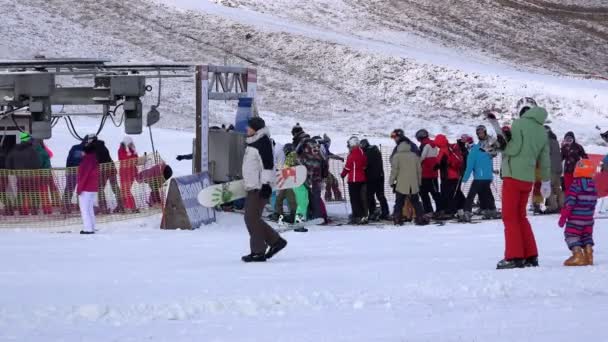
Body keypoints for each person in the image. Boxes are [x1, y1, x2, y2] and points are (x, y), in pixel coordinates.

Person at [497, 98, 551, 270]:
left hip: (513, 175)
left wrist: (502, 145)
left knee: (510, 217)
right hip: (528, 178)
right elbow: (544, 159)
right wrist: (546, 180)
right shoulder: (542, 131)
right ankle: (530, 255)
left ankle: (514, 256)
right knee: (521, 217)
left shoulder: (519, 124)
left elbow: (514, 149)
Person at [241, 117, 287, 262]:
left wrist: (266, 185)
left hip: (260, 187)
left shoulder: (263, 142)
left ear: (255, 128)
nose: (246, 129)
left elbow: (268, 165)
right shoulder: (254, 142)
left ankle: (258, 251)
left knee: (251, 218)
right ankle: (275, 241)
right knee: (252, 218)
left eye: (249, 127)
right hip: (253, 186)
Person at [558, 159, 597, 266]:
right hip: (588, 220)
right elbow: (593, 202)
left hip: (575, 219)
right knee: (586, 236)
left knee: (571, 235)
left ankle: (577, 255)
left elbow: (569, 203)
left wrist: (563, 217)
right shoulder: (593, 187)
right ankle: (589, 254)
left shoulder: (575, 186)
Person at [389, 135, 428, 226]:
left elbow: (394, 171)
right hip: (413, 184)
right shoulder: (414, 156)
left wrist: (391, 181)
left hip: (401, 184)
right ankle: (420, 218)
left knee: (399, 202)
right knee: (416, 202)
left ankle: (397, 219)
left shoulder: (397, 156)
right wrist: (419, 182)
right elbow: (419, 171)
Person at [5, 132, 42, 215]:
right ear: (28, 139)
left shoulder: (14, 150)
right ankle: (34, 210)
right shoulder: (32, 150)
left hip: (20, 176)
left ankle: (21, 210)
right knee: (33, 193)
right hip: (32, 176)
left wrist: (13, 170)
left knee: (21, 193)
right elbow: (38, 163)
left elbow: (8, 163)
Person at [461, 139, 497, 222]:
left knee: (471, 195)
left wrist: (465, 178)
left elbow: (469, 167)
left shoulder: (473, 153)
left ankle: (467, 212)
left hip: (479, 178)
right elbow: (489, 161)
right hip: (488, 178)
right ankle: (491, 209)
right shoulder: (484, 151)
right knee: (486, 193)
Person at [90, 136, 124, 214]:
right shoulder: (103, 145)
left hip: (102, 169)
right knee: (115, 187)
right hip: (111, 167)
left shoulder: (92, 147)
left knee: (100, 189)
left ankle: (103, 208)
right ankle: (121, 205)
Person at [434, 134, 463, 219]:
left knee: (448, 194)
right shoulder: (450, 148)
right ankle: (461, 207)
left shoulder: (443, 150)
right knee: (455, 192)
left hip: (447, 175)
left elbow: (439, 162)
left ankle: (450, 210)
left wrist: (436, 166)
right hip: (454, 174)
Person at [341, 136, 368, 224]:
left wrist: (343, 174)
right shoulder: (362, 152)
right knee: (361, 198)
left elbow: (348, 167)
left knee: (354, 199)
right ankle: (363, 215)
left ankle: (357, 216)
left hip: (353, 180)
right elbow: (364, 165)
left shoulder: (352, 155)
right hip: (362, 179)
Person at [360, 139, 389, 221]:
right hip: (380, 176)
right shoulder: (376, 150)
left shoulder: (367, 153)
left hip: (371, 178)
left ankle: (373, 212)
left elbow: (365, 165)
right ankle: (385, 212)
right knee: (381, 195)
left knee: (369, 195)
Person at [415, 129, 441, 217]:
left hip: (424, 173)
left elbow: (421, 158)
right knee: (435, 193)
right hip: (433, 173)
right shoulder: (434, 145)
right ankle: (440, 209)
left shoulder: (424, 145)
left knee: (423, 194)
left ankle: (428, 210)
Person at [77, 135, 100, 234]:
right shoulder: (94, 160)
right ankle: (92, 226)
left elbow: (83, 176)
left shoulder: (85, 161)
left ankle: (88, 228)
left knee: (84, 209)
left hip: (85, 189)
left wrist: (79, 189)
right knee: (89, 208)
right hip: (93, 188)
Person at [271, 144, 297, 223]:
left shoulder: (292, 157)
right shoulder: (291, 157)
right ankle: (280, 214)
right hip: (286, 181)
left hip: (289, 182)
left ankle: (291, 215)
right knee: (281, 198)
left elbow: (289, 169)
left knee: (288, 199)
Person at [63, 140, 86, 214]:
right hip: (81, 172)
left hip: (71, 170)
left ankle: (65, 206)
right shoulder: (88, 149)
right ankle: (80, 206)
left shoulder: (74, 147)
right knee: (82, 190)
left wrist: (67, 169)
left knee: (69, 189)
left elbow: (68, 159)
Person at [561, 131, 587, 196]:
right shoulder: (564, 147)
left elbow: (584, 156)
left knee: (576, 187)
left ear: (573, 139)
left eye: (570, 139)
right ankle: (569, 202)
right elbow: (560, 158)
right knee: (568, 187)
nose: (568, 141)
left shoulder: (578, 146)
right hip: (567, 170)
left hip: (577, 171)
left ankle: (576, 200)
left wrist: (584, 162)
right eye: (567, 139)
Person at [545, 126, 563, 213]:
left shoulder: (547, 142)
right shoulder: (555, 141)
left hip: (550, 169)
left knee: (548, 188)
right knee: (557, 187)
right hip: (558, 168)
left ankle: (553, 206)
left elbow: (546, 155)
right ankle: (561, 205)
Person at [118, 136, 139, 212]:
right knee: (124, 190)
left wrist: (133, 154)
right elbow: (124, 158)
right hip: (124, 173)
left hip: (131, 173)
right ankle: (127, 206)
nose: (131, 144)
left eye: (131, 143)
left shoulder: (132, 150)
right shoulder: (121, 150)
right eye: (129, 143)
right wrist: (132, 156)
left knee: (126, 190)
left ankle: (132, 207)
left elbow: (136, 160)